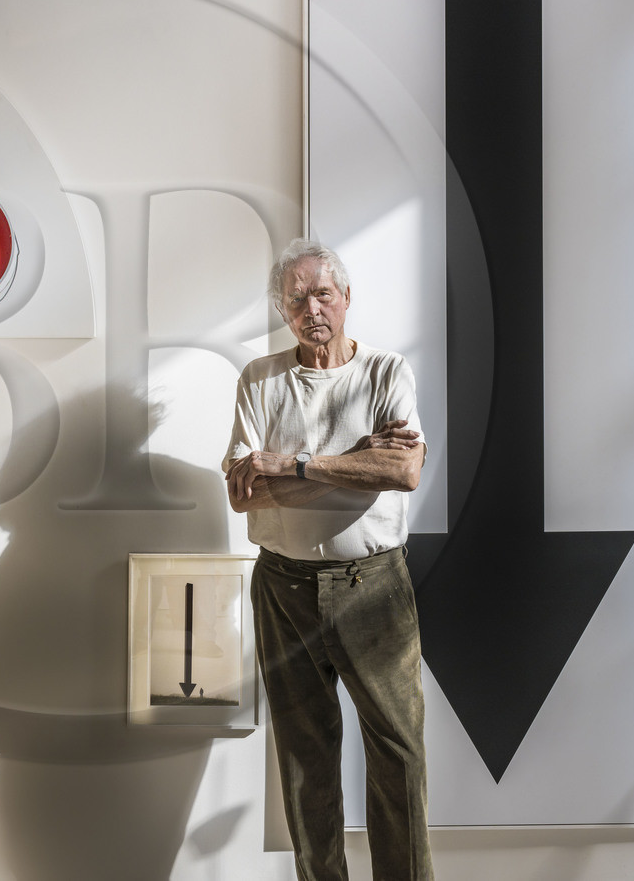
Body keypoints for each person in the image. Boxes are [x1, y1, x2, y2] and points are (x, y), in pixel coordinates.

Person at [223, 238, 432, 881]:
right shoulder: (259, 380)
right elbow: (246, 495)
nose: (312, 307)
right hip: (282, 587)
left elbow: (402, 469)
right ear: (283, 312)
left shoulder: (386, 372)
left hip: (373, 585)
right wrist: (356, 459)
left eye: (323, 293)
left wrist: (295, 464)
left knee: (397, 751)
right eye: (296, 298)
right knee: (303, 754)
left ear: (346, 298)